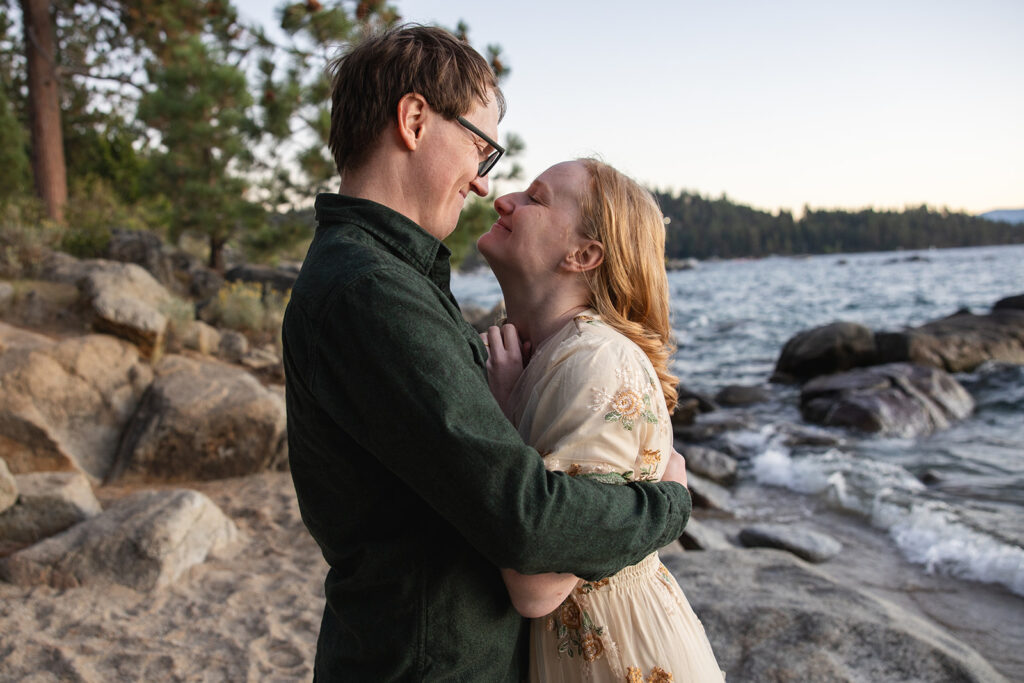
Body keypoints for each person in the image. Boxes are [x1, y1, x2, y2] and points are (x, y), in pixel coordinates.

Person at [281, 25, 694, 681]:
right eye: (482, 148)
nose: (482, 185)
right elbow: (525, 520)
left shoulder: (386, 280)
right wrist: (666, 505)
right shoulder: (372, 292)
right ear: (414, 120)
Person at [477, 159, 724, 682]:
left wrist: (498, 416)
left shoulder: (594, 361)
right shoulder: (554, 353)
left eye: (536, 199)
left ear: (584, 254)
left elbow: (536, 586)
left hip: (620, 660)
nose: (504, 200)